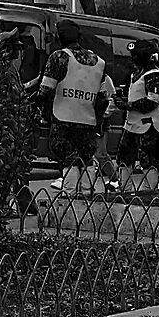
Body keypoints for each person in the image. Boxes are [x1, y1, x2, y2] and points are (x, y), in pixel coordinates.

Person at [39, 21, 118, 191]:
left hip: (63, 118)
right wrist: (98, 121)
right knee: (87, 159)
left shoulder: (59, 57)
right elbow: (104, 96)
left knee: (69, 159)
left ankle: (69, 200)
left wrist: (44, 115)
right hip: (88, 121)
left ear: (58, 38)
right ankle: (86, 199)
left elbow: (44, 92)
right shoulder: (99, 62)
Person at [120, 45, 159, 181]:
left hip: (150, 127)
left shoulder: (155, 75)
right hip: (131, 125)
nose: (133, 59)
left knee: (149, 163)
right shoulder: (135, 74)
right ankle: (125, 191)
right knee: (124, 159)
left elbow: (152, 102)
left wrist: (127, 105)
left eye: (136, 56)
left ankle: (148, 194)